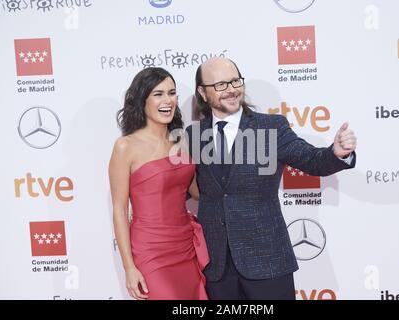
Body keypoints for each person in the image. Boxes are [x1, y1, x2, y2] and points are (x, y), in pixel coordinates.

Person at [185, 57, 357, 300]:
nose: (232, 89)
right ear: (203, 92)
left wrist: (336, 153)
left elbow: (311, 159)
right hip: (217, 266)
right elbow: (182, 186)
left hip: (267, 260)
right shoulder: (193, 135)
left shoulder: (271, 128)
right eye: (221, 85)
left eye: (235, 81)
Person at [109, 67, 209, 300]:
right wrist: (129, 267)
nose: (168, 100)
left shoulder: (180, 141)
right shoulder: (125, 146)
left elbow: (197, 192)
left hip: (185, 245)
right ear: (142, 100)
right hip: (151, 250)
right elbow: (119, 210)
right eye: (158, 94)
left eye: (172, 93)